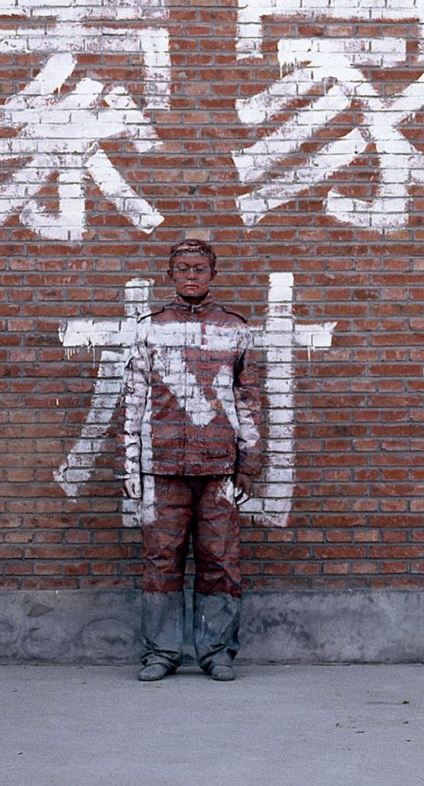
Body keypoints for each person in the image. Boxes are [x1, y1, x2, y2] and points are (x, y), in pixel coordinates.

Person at [120, 237, 264, 681]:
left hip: (220, 468)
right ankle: (161, 653)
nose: (191, 276)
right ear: (170, 274)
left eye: (199, 268)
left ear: (212, 274)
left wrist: (250, 463)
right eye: (182, 268)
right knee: (160, 559)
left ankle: (217, 652)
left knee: (220, 559)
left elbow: (249, 401)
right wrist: (130, 465)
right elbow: (134, 400)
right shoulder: (149, 327)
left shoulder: (236, 328)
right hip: (160, 467)